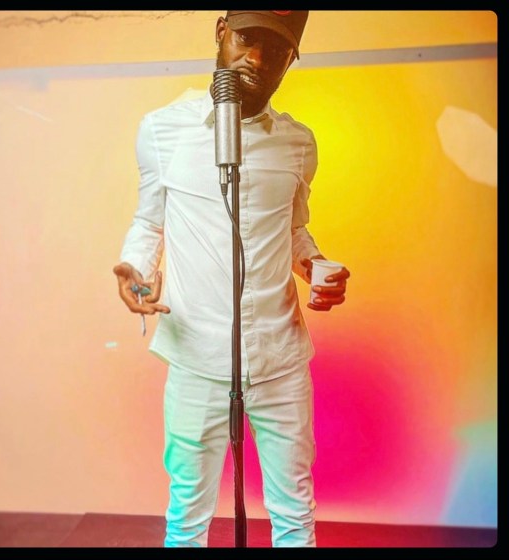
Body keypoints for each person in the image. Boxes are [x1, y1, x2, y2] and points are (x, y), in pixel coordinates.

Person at [113, 10, 350, 548]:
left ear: (291, 60)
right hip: (195, 356)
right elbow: (149, 221)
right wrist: (137, 271)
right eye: (247, 38)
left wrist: (316, 266)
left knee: (295, 517)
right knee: (187, 517)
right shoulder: (162, 130)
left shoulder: (298, 143)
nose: (258, 59)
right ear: (222, 33)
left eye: (277, 49)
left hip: (279, 361)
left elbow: (294, 230)